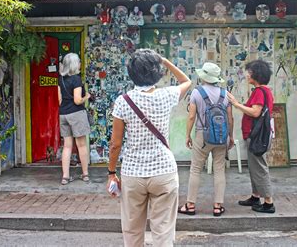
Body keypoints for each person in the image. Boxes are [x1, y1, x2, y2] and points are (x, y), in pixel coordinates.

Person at [107, 49, 191, 247]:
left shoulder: (123, 101)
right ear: (157, 72)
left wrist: (112, 173)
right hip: (164, 171)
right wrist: (165, 61)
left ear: (131, 73)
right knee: (163, 232)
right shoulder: (167, 95)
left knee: (132, 230)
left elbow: (115, 144)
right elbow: (186, 81)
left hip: (133, 173)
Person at [178, 62, 234, 217]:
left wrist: (188, 135)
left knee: (195, 169)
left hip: (202, 136)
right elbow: (230, 118)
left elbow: (191, 116)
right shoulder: (225, 93)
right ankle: (217, 206)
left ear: (204, 76)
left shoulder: (197, 93)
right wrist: (231, 136)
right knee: (219, 169)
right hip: (222, 137)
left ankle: (190, 205)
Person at [227, 59, 276, 214]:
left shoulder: (259, 92)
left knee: (260, 168)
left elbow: (255, 112)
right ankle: (256, 196)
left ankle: (268, 202)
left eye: (249, 72)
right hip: (256, 135)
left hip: (256, 136)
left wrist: (236, 104)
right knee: (255, 167)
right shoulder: (264, 91)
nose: (247, 75)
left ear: (256, 75)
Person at [57, 53, 91, 185]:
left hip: (63, 114)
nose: (80, 64)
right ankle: (85, 174)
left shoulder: (61, 79)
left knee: (67, 146)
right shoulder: (76, 79)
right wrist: (86, 97)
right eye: (79, 61)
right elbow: (77, 100)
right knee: (81, 145)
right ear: (74, 64)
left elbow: (59, 100)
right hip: (76, 114)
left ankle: (65, 176)